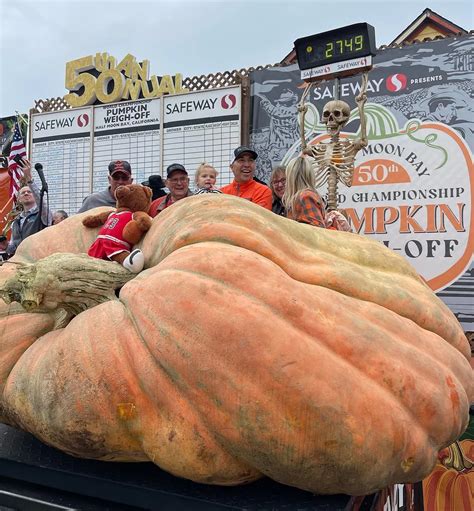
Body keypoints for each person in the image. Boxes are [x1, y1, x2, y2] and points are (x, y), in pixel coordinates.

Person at [7, 158, 53, 256]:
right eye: (23, 193)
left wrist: (29, 179)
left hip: (38, 259)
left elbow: (41, 201)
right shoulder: (16, 221)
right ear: (19, 199)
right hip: (20, 262)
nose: (26, 193)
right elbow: (12, 246)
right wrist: (5, 246)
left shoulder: (42, 214)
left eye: (29, 192)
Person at [282, 156, 326, 228]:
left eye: (287, 177)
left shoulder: (305, 197)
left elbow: (317, 230)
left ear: (292, 178)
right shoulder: (303, 196)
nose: (285, 183)